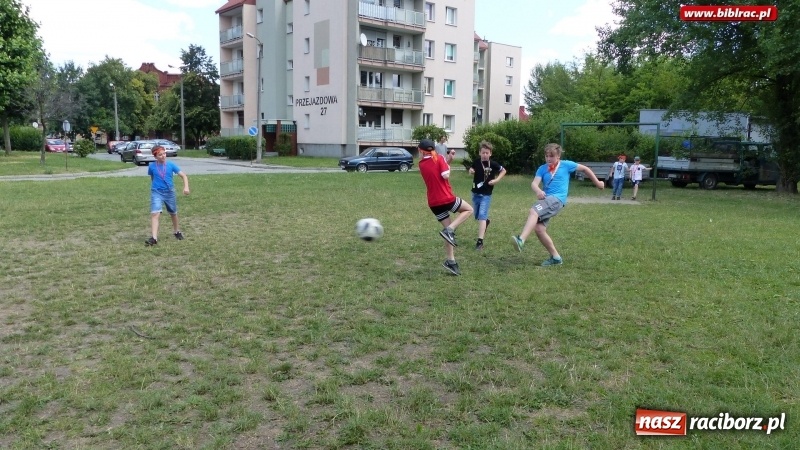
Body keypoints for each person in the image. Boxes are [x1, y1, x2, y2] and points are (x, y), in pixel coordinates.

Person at [512, 143, 604, 266]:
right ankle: (556, 258)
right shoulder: (542, 168)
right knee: (539, 229)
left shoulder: (566, 165)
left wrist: (598, 183)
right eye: (546, 156)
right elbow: (534, 183)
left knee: (534, 211)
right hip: (546, 200)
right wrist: (538, 190)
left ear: (558, 156)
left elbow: (585, 169)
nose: (548, 159)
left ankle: (521, 240)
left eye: (551, 156)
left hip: (556, 199)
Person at [417, 138, 473, 275]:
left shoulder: (421, 164)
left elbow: (438, 168)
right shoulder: (439, 157)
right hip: (446, 198)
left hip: (433, 203)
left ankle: (451, 262)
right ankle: (450, 229)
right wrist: (446, 163)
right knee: (469, 209)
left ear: (421, 151)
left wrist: (448, 161)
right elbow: (445, 175)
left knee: (448, 234)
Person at [145, 145, 190, 246]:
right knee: (155, 213)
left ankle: (177, 231)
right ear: (155, 156)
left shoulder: (171, 165)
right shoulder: (151, 166)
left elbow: (183, 176)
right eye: (160, 155)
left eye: (164, 153)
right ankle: (154, 238)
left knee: (173, 213)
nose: (163, 156)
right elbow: (153, 177)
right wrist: (155, 187)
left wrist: (186, 187)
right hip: (156, 192)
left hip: (169, 192)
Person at [468, 140, 506, 250]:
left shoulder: (493, 164)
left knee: (482, 216)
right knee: (477, 216)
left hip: (486, 194)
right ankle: (486, 221)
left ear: (490, 153)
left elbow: (503, 171)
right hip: (475, 193)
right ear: (480, 153)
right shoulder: (476, 162)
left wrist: (496, 180)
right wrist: (471, 171)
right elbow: (471, 169)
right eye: (483, 152)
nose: (485, 155)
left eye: (487, 153)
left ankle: (480, 242)